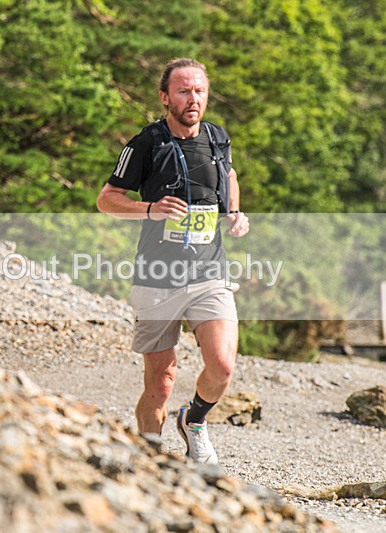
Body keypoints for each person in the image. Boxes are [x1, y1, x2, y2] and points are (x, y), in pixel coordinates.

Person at [97, 58, 249, 464]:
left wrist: (234, 212)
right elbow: (106, 199)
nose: (193, 98)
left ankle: (194, 421)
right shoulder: (146, 143)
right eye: (183, 90)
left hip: (209, 272)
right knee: (161, 382)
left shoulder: (218, 138)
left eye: (199, 90)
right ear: (165, 98)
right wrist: (150, 209)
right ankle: (149, 455)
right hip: (157, 275)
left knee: (222, 365)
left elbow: (229, 175)